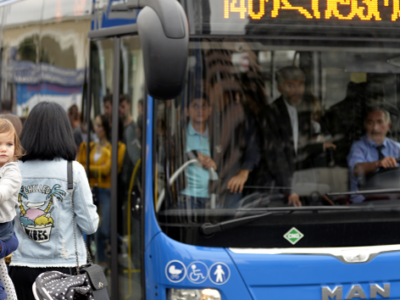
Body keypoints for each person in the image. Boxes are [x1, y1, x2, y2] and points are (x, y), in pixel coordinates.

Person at [9, 102, 99, 300]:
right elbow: (90, 225)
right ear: (63, 133)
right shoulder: (73, 171)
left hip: (20, 267)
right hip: (65, 271)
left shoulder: (13, 170)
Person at [264, 66, 336, 207]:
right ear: (280, 88)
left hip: (302, 182)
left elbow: (300, 147)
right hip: (276, 185)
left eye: (300, 85)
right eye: (291, 85)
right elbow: (277, 154)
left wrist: (319, 146)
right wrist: (289, 188)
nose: (297, 90)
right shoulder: (270, 114)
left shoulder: (304, 111)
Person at [77, 114, 126, 268]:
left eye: (98, 125)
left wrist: (89, 168)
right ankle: (102, 261)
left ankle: (120, 241)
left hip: (107, 190)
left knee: (105, 228)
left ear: (105, 128)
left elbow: (108, 170)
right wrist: (93, 169)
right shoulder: (88, 146)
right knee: (94, 226)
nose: (96, 128)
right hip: (91, 190)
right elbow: (79, 166)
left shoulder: (117, 148)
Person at [347, 108, 400, 203]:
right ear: (365, 126)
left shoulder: (397, 148)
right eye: (370, 123)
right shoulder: (358, 147)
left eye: (380, 122)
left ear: (388, 125)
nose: (375, 128)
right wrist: (379, 164)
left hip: (395, 203)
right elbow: (356, 170)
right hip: (363, 205)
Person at [0, 119, 24, 300]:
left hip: (3, 230)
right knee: (3, 275)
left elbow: (3, 191)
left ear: (15, 148)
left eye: (9, 144)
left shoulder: (13, 171)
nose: (4, 148)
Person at [180, 95, 217, 209]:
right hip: (189, 198)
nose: (200, 110)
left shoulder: (217, 136)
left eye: (204, 106)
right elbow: (174, 160)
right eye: (195, 106)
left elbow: (228, 162)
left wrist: (216, 164)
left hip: (213, 197)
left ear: (210, 110)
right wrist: (194, 155)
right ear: (187, 111)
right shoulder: (180, 136)